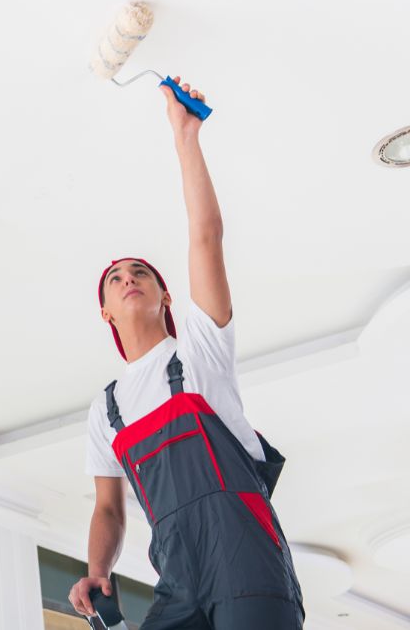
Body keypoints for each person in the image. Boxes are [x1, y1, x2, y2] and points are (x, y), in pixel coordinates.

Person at [68, 79, 304, 629]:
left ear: (164, 295)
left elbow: (206, 236)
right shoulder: (108, 410)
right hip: (178, 577)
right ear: (105, 311)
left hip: (248, 561)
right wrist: (98, 569)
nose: (129, 280)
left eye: (141, 273)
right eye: (117, 279)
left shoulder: (201, 349)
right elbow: (108, 508)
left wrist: (185, 136)